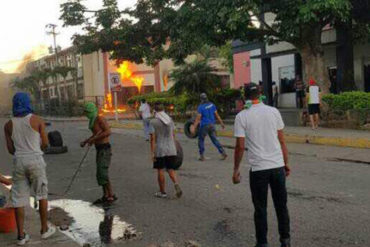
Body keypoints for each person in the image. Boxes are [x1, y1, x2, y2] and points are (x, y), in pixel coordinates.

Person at [233, 83, 291, 247]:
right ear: (261, 94)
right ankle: (285, 241)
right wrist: (285, 163)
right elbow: (281, 140)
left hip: (259, 169)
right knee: (281, 206)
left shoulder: (242, 116)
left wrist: (236, 170)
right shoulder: (274, 112)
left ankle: (262, 243)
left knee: (260, 209)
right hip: (277, 166)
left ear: (245, 97)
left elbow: (240, 147)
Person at [4, 92, 56, 246]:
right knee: (41, 194)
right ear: (28, 103)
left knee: (18, 199)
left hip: (19, 161)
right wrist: (35, 148)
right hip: (35, 161)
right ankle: (44, 229)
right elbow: (45, 144)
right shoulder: (37, 120)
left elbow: (11, 150)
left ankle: (21, 236)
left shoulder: (8, 125)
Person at [80, 102, 117, 204]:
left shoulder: (100, 118)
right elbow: (95, 134)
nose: (86, 114)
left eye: (87, 112)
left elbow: (108, 132)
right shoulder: (92, 120)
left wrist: (95, 138)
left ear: (92, 111)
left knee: (102, 172)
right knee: (99, 174)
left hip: (105, 149)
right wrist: (87, 141)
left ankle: (111, 195)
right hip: (99, 148)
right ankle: (105, 195)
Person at [149, 102, 182, 199]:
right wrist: (175, 146)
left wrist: (152, 152)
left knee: (160, 169)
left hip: (160, 149)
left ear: (155, 111)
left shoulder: (153, 122)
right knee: (171, 169)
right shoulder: (170, 120)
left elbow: (153, 138)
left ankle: (162, 192)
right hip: (171, 148)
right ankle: (176, 184)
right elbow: (173, 135)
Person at [191, 93, 227, 161]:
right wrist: (221, 123)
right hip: (212, 125)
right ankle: (223, 152)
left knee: (201, 140)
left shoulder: (200, 107)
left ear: (201, 99)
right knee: (214, 139)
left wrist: (194, 127)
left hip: (204, 125)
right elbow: (217, 115)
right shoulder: (212, 105)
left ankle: (202, 156)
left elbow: (198, 118)